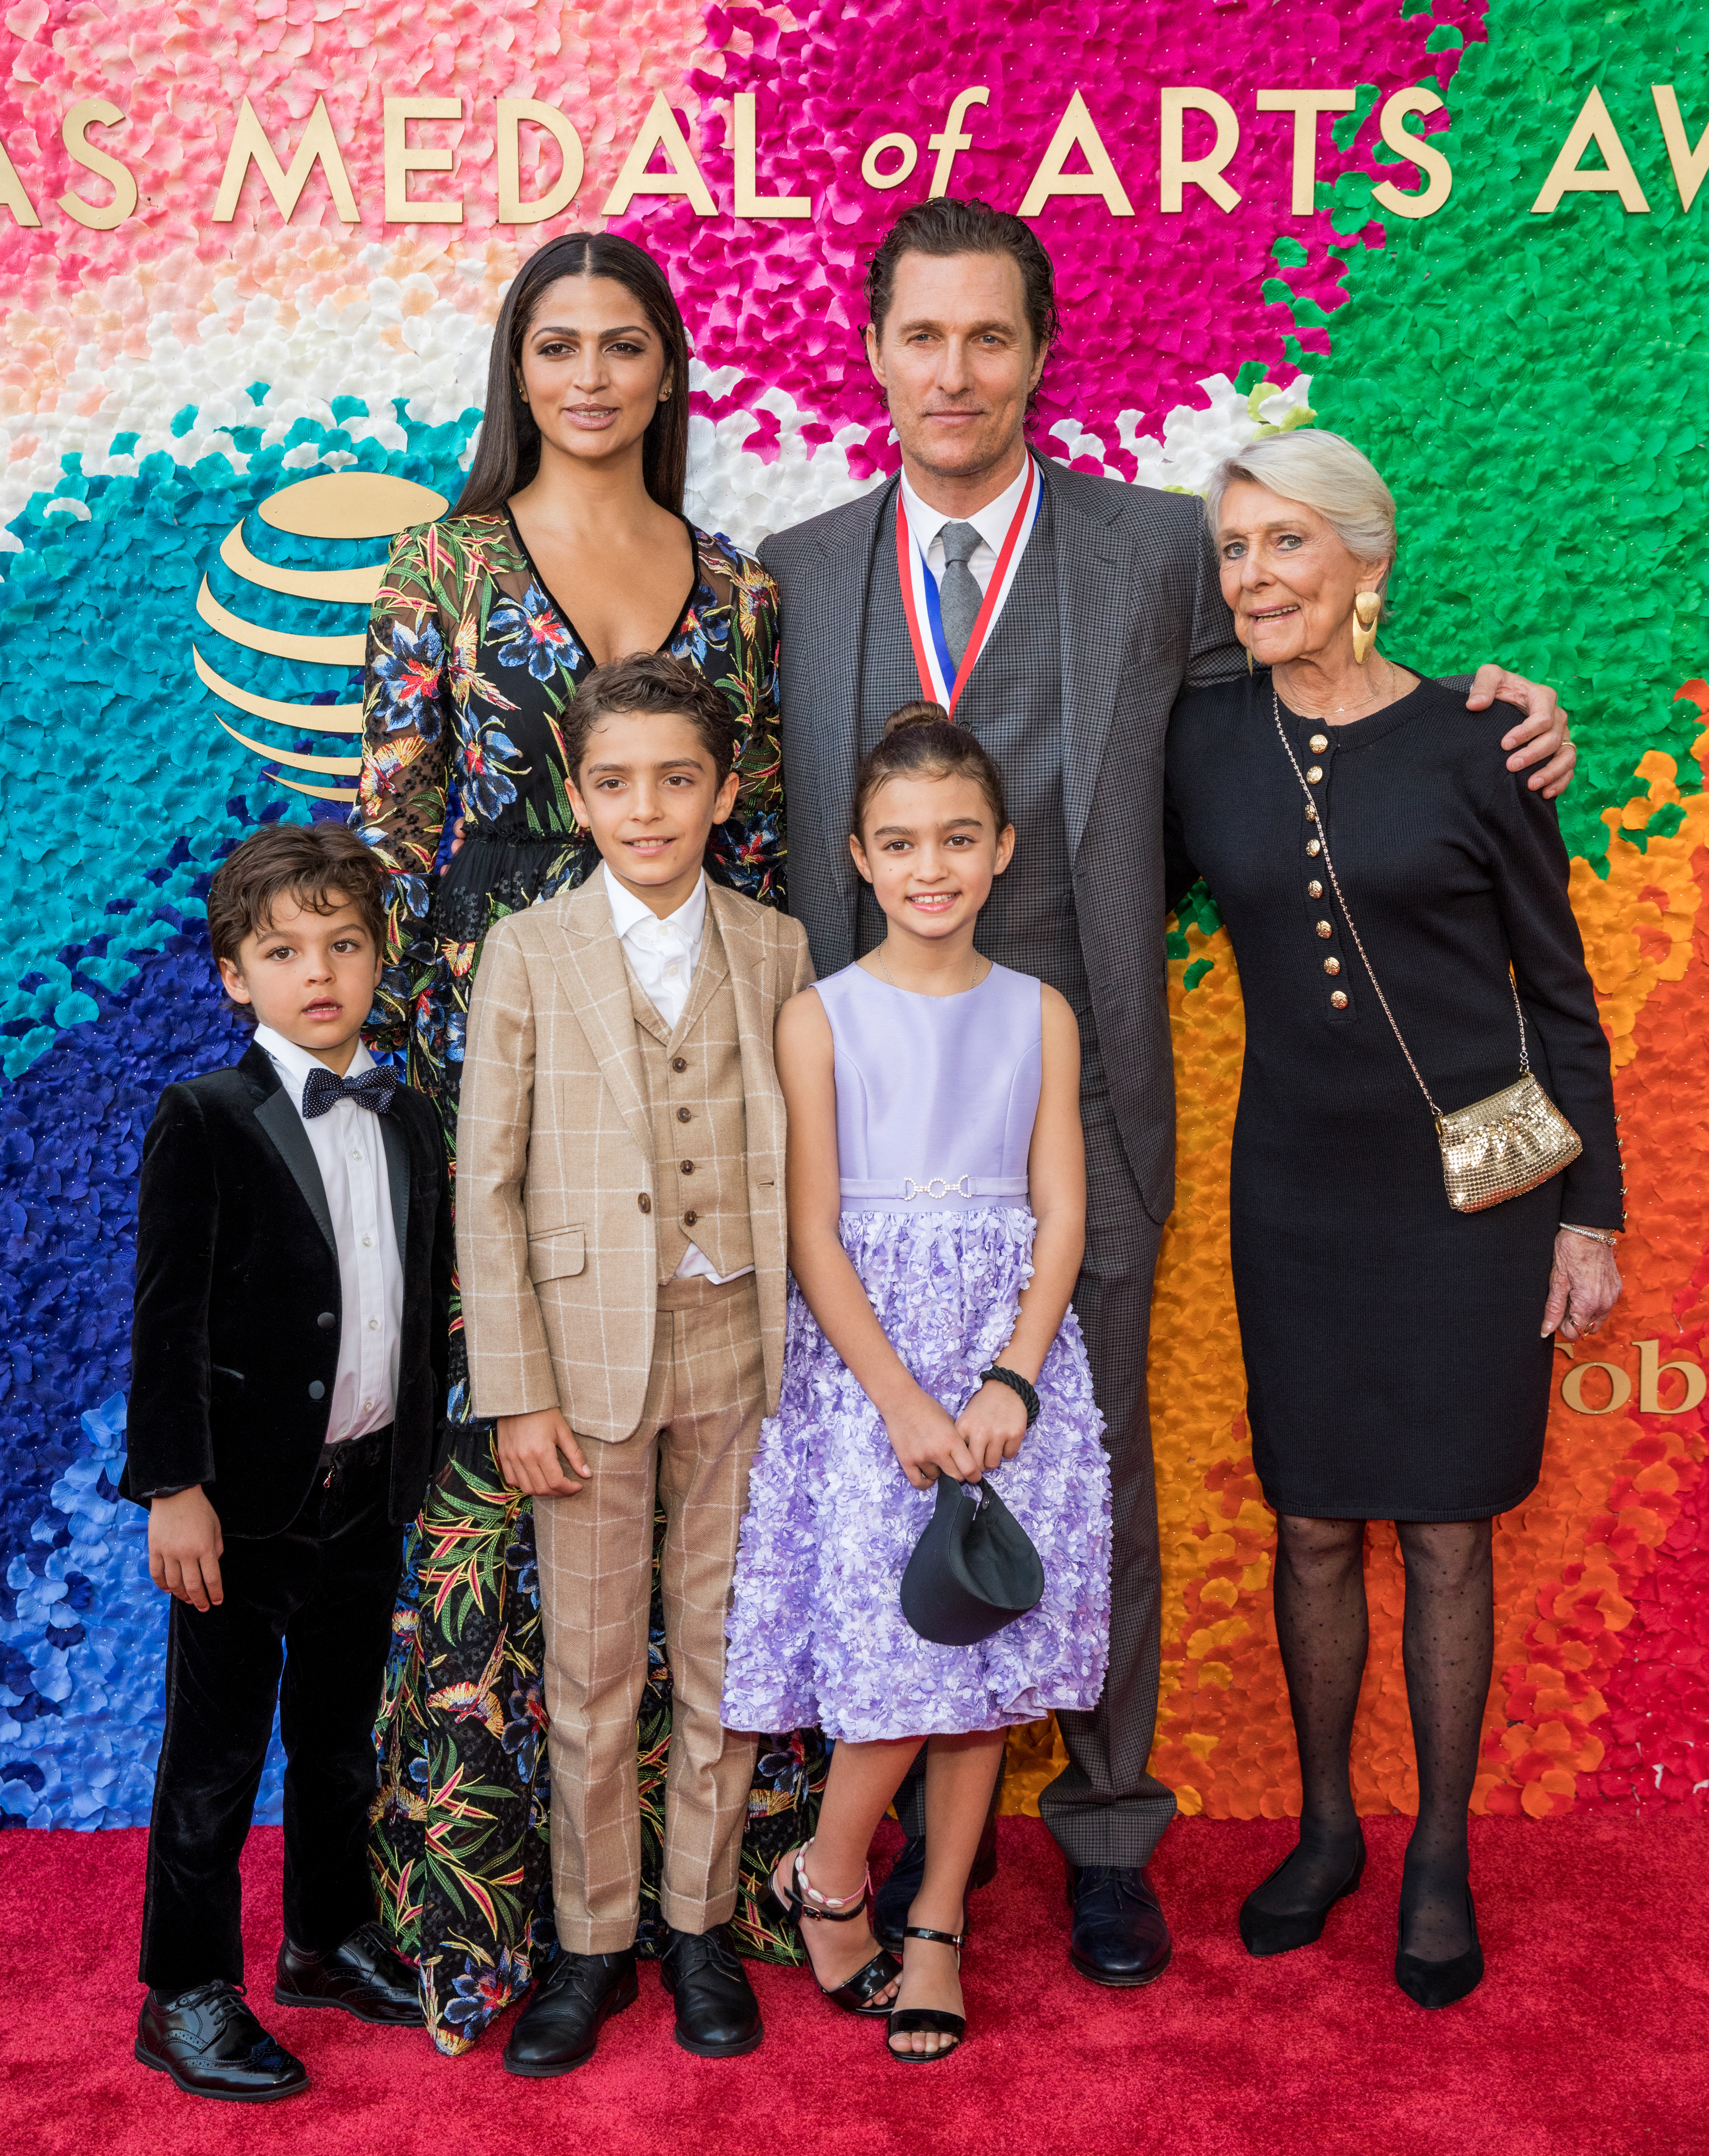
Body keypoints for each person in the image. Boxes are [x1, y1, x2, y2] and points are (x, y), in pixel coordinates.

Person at [760, 195, 1579, 1983]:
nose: (955, 371)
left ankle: (1107, 1832)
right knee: (866, 1465)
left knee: (1082, 1472)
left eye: (991, 336)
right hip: (858, 1141)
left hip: (1084, 1120)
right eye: (923, 335)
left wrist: (1487, 714)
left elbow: (1310, 713)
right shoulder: (799, 569)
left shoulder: (1151, 553)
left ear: (1040, 354)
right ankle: (894, 1839)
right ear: (876, 350)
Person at [355, 231, 814, 2052]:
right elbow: (398, 835)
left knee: (713, 1574)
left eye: (627, 346)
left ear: (667, 369)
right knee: (528, 1523)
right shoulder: (443, 567)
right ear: (514, 368)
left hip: (700, 1109)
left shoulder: (743, 588)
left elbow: (763, 852)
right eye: (559, 346)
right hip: (507, 1085)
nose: (594, 377)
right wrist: (447, 1085)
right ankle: (541, 1921)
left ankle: (707, 1914)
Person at [1163, 429, 1623, 2007]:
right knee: (1306, 1524)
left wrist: (1588, 1222)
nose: (1253, 578)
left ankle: (1434, 1848)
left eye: (1286, 545)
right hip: (1291, 1190)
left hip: (1473, 1194)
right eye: (1233, 550)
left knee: (1439, 1530)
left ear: (1367, 561)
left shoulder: (1477, 746)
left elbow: (1557, 1006)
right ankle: (1322, 1831)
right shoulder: (1199, 734)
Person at [723, 704, 1112, 2061]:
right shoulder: (816, 1018)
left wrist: (1010, 1377)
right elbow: (812, 1230)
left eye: (956, 837)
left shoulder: (1040, 1013)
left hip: (1009, 1367)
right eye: (899, 843)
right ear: (858, 856)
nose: (929, 865)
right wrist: (897, 1398)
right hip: (866, 1375)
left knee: (987, 1660)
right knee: (899, 1662)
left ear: (1000, 849)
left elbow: (1059, 1215)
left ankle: (936, 1916)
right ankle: (828, 1875)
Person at [454, 651, 813, 2075]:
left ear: (724, 792)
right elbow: (487, 1185)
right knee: (593, 1676)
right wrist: (518, 1388)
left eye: (677, 780)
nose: (648, 808)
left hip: (739, 1349)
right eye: (616, 783)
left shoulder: (778, 947)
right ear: (578, 796)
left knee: (724, 1660)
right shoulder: (528, 953)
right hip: (584, 1371)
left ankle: (699, 1928)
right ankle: (592, 1943)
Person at [122, 823, 453, 2102]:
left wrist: (416, 1463)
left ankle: (323, 1939)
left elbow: (416, 1305)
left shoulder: (409, 1115)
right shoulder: (203, 1119)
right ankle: (186, 1991)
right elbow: (167, 1320)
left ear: (378, 960)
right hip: (238, 1506)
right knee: (211, 1759)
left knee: (338, 1743)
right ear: (233, 976)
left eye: (344, 945)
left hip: (366, 1491)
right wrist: (175, 1486)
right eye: (283, 950)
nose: (318, 971)